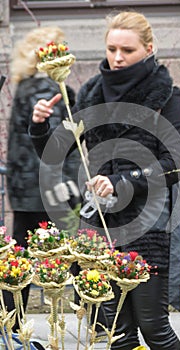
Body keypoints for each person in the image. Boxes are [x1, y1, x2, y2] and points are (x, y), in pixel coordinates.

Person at [30, 11, 180, 350]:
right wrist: (40, 124)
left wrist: (122, 179)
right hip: (102, 225)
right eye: (112, 48)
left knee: (154, 328)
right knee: (116, 331)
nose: (117, 58)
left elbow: (175, 163)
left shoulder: (166, 96)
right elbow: (59, 151)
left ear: (148, 49)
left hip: (150, 225)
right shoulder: (91, 94)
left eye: (127, 50)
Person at [5, 26, 80, 331]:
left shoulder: (23, 88)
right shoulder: (51, 90)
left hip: (25, 188)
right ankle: (97, 316)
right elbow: (65, 141)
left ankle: (11, 318)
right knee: (75, 253)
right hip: (54, 187)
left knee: (21, 258)